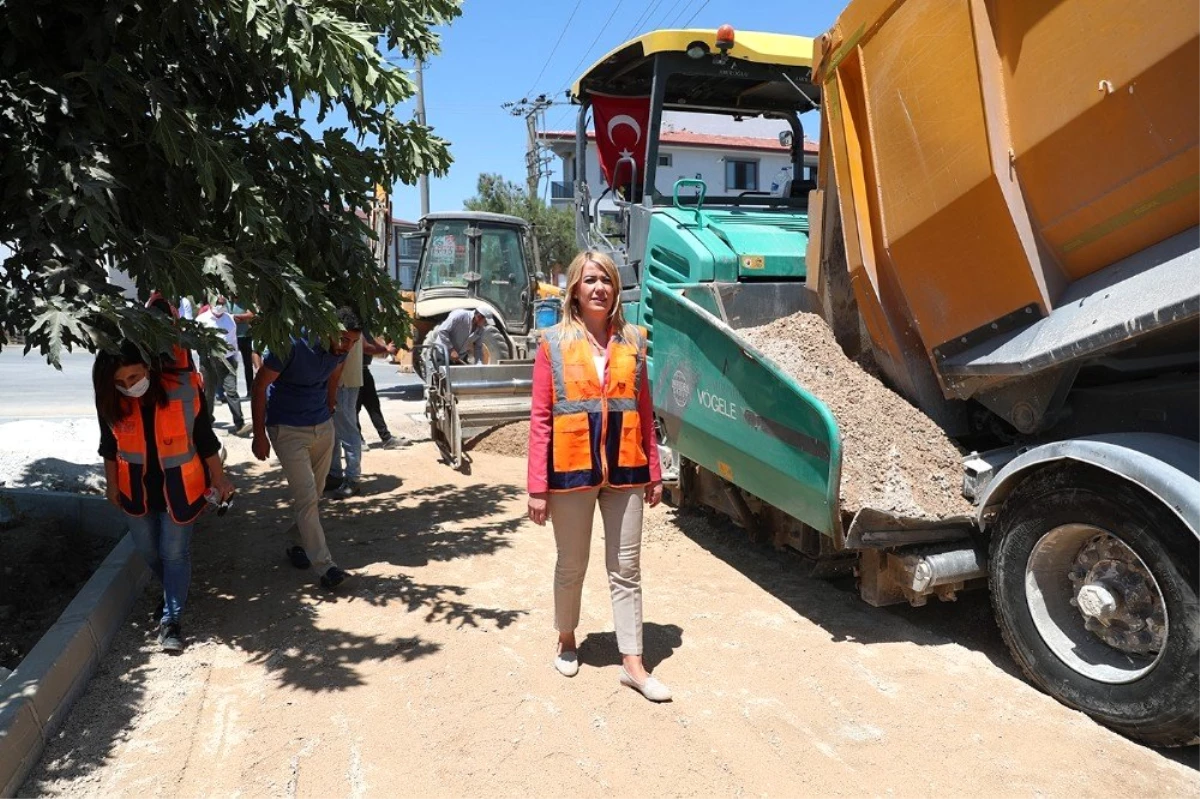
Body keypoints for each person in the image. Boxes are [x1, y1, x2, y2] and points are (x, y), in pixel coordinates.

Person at [526, 250, 668, 702]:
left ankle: (632, 662)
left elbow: (644, 412)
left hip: (626, 469)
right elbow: (541, 418)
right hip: (570, 473)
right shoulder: (553, 343)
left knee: (626, 568)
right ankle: (567, 638)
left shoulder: (636, 341)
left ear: (616, 288)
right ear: (574, 288)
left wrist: (655, 471)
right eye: (590, 280)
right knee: (572, 564)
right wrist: (536, 487)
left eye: (606, 280)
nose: (599, 288)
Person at [95, 342, 235, 651]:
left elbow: (204, 436)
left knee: (175, 554)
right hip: (135, 488)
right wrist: (112, 485)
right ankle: (173, 589)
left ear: (148, 367)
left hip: (180, 486)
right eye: (121, 382)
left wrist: (219, 476)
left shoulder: (184, 389)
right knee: (149, 551)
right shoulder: (109, 394)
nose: (128, 387)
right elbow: (108, 443)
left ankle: (171, 622)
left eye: (133, 378)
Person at [251, 307, 362, 590]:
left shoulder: (342, 349)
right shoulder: (292, 344)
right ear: (327, 329)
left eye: (352, 342)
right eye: (342, 339)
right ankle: (326, 567)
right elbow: (260, 384)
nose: (346, 346)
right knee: (306, 497)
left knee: (316, 492)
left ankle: (297, 542)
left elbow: (334, 376)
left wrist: (331, 405)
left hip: (322, 427)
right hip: (287, 429)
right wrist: (259, 434)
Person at [196, 296, 248, 435]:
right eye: (218, 303)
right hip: (208, 360)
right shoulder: (202, 320)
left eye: (223, 304)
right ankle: (207, 421)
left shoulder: (229, 319)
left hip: (228, 360)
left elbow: (233, 340)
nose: (221, 306)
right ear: (211, 304)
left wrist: (236, 358)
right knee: (209, 392)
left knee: (231, 391)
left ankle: (239, 423)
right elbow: (196, 341)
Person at [326, 327, 365, 500]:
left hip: (343, 382)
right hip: (341, 381)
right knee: (334, 431)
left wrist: (331, 393)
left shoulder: (347, 324)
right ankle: (335, 475)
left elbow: (340, 362)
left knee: (347, 431)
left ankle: (352, 478)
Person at [357, 334, 403, 448]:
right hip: (354, 371)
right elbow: (366, 347)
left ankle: (386, 438)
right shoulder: (355, 323)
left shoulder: (364, 324)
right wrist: (385, 349)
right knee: (354, 408)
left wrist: (384, 348)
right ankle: (358, 440)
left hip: (364, 370)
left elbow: (371, 344)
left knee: (373, 406)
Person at [427, 307, 492, 371]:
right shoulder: (459, 316)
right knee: (443, 378)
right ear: (479, 317)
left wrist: (479, 364)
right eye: (485, 322)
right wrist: (451, 350)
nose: (485, 324)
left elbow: (478, 347)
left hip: (459, 357)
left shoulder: (481, 329)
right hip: (443, 354)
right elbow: (442, 331)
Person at [230, 299, 260, 398]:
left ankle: (250, 390)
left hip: (246, 337)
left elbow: (251, 315)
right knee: (231, 365)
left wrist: (234, 317)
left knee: (248, 365)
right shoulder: (227, 303)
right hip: (232, 338)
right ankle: (232, 393)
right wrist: (243, 318)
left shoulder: (246, 302)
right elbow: (224, 317)